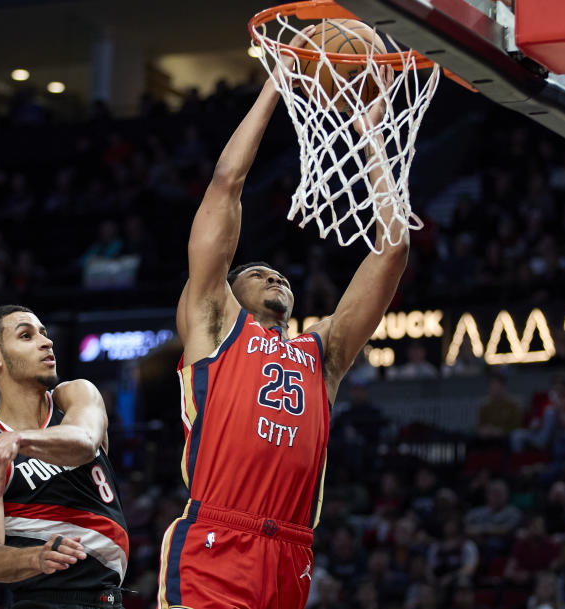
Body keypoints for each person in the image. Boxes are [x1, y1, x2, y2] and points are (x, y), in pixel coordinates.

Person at [157, 33, 412, 609]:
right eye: (260, 272)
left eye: (283, 276)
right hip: (219, 539)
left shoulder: (322, 353)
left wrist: (371, 132)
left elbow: (391, 252)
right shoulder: (214, 323)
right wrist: (279, 82)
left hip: (292, 553)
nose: (276, 278)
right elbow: (226, 184)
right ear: (229, 290)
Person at [0, 305, 128, 608]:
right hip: (43, 599)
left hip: (108, 598)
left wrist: (19, 439)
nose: (46, 342)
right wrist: (35, 557)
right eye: (26, 335)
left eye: (45, 334)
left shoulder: (76, 395)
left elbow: (85, 441)